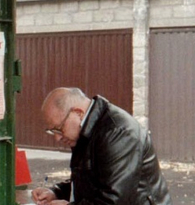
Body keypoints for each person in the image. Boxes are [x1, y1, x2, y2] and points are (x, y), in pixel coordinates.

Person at [31, 87, 172, 205]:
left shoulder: (119, 133)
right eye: (52, 131)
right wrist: (57, 192)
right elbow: (90, 182)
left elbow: (113, 200)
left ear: (78, 113)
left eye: (59, 128)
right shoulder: (86, 130)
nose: (57, 137)